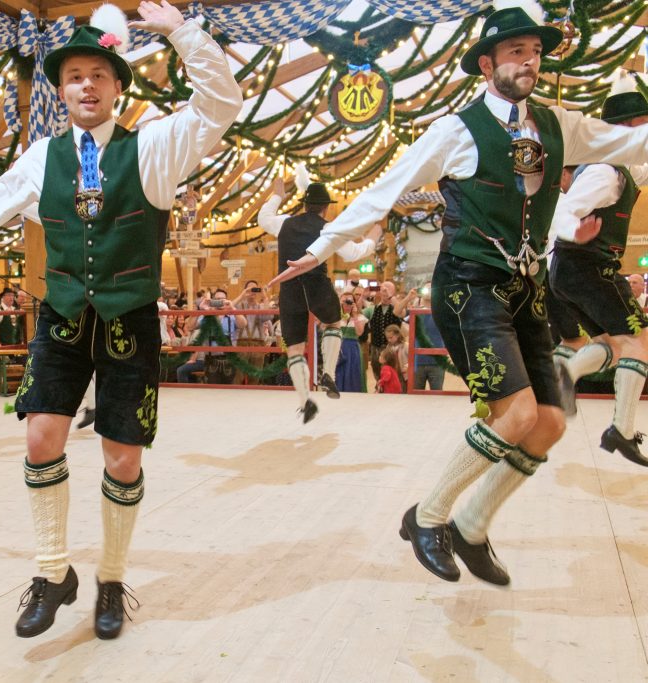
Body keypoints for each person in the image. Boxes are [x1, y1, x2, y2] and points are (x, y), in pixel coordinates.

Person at [0, 0, 240, 639]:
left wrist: (182, 34)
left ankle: (111, 577)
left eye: (98, 75)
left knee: (122, 457)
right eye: (74, 76)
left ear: (118, 86)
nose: (86, 85)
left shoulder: (155, 147)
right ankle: (52, 572)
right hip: (65, 315)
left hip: (130, 319)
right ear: (61, 89)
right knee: (41, 438)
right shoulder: (41, 157)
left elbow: (221, 105)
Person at [270, 2, 648, 587]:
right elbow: (387, 189)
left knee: (547, 424)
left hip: (526, 290)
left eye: (536, 53)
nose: (530, 62)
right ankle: (427, 517)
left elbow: (627, 145)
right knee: (516, 413)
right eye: (517, 52)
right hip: (469, 285)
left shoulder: (558, 125)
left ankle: (471, 526)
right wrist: (321, 248)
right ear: (487, 63)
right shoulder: (456, 130)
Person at [548, 83, 648, 466]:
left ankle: (566, 371)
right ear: (624, 129)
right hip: (588, 265)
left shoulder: (621, 166)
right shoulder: (605, 173)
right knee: (639, 341)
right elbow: (565, 210)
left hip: (575, 270)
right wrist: (574, 228)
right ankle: (620, 430)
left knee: (615, 344)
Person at [258, 176, 378, 421]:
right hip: (316, 284)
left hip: (289, 289)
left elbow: (263, 218)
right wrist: (372, 240)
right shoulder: (329, 228)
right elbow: (353, 254)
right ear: (326, 207)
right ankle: (329, 375)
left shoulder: (284, 223)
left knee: (294, 348)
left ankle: (305, 401)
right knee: (333, 323)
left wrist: (278, 195)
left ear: (304, 205)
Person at [335, 294, 368, 393]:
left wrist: (354, 315)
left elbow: (359, 332)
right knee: (338, 373)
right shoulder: (336, 316)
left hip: (353, 349)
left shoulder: (360, 317)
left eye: (350, 301)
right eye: (345, 301)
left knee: (353, 372)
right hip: (338, 348)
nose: (347, 304)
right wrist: (337, 309)